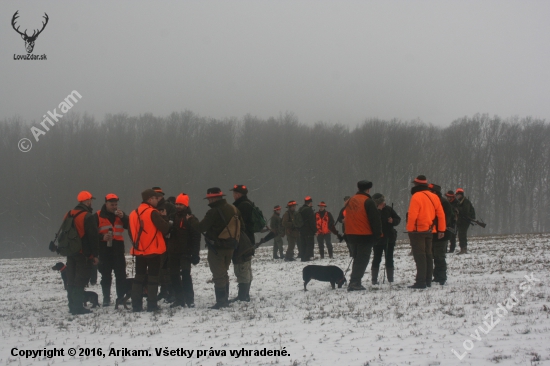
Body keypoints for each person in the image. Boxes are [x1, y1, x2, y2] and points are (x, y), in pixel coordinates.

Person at [188, 187, 245, 309]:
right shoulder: (234, 208)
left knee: (218, 274)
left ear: (214, 198)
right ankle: (225, 298)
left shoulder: (213, 212)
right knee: (224, 273)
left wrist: (191, 220)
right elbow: (242, 226)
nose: (209, 202)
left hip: (217, 248)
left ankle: (221, 301)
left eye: (209, 199)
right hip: (231, 246)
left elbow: (201, 227)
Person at [128, 189, 170, 312]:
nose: (158, 200)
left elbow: (131, 233)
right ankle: (152, 305)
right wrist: (165, 218)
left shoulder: (133, 213)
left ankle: (136, 305)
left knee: (139, 278)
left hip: (139, 251)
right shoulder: (153, 212)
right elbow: (165, 228)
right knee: (153, 278)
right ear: (150, 199)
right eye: (156, 198)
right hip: (153, 251)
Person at [406, 175, 446, 289]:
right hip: (430, 230)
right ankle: (428, 280)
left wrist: (410, 229)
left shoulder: (416, 196)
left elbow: (412, 215)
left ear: (417, 185)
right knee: (428, 255)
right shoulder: (434, 196)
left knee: (420, 256)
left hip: (417, 231)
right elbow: (441, 215)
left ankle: (421, 281)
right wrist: (441, 229)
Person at [65, 191, 99, 315]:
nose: (91, 203)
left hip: (71, 252)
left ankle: (72, 305)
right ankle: (78, 307)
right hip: (83, 254)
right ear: (88, 201)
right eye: (91, 200)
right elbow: (93, 237)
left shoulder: (69, 214)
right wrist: (95, 255)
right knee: (80, 279)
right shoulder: (87, 216)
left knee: (71, 279)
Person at [345, 180, 382, 291]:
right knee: (362, 260)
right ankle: (355, 282)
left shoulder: (350, 200)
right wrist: (377, 235)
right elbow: (375, 220)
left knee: (357, 259)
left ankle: (354, 281)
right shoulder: (368, 201)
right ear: (368, 189)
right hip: (364, 235)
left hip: (351, 234)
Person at [93, 193, 129, 306]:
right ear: (106, 204)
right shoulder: (97, 215)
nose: (114, 207)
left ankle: (121, 297)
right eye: (112, 204)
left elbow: (129, 225)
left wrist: (124, 216)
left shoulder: (120, 215)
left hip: (118, 248)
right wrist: (101, 237)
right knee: (106, 274)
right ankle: (106, 298)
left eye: (116, 204)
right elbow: (92, 233)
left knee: (121, 274)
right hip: (104, 249)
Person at [166, 193, 201, 308]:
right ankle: (179, 299)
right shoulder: (171, 217)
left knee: (186, 275)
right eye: (177, 204)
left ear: (186, 205)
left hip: (186, 252)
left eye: (181, 204)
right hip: (173, 252)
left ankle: (189, 299)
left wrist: (195, 253)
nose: (178, 206)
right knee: (174, 276)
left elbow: (196, 237)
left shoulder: (191, 219)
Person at [229, 184, 256, 302]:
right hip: (248, 240)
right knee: (246, 266)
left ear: (239, 194)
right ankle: (245, 294)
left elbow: (240, 225)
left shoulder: (242, 206)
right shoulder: (248, 203)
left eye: (234, 193)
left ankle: (243, 296)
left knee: (242, 267)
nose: (233, 195)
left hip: (243, 241)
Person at [370, 193, 401, 284]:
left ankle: (390, 279)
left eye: (384, 201)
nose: (384, 203)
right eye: (382, 201)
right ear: (377, 203)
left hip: (389, 239)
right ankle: (374, 279)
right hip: (378, 240)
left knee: (389, 258)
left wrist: (393, 221)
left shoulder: (389, 209)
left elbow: (398, 219)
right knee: (376, 258)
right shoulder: (373, 211)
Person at [428, 184, 453, 285]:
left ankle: (442, 277)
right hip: (435, 233)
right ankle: (437, 276)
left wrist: (440, 231)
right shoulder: (437, 201)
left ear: (435, 192)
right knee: (435, 256)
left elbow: (445, 219)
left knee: (439, 256)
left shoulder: (443, 202)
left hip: (442, 234)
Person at [455, 188, 476, 254]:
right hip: (461, 220)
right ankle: (462, 249)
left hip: (465, 220)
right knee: (461, 235)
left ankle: (464, 249)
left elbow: (465, 211)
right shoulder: (460, 201)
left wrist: (457, 209)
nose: (457, 196)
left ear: (460, 195)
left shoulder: (465, 201)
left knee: (462, 234)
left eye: (458, 195)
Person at [298, 196, 316, 262]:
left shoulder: (300, 209)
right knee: (309, 244)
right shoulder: (309, 210)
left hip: (301, 230)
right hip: (308, 231)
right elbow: (312, 222)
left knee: (303, 245)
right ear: (310, 203)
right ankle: (307, 257)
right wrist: (315, 230)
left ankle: (302, 257)